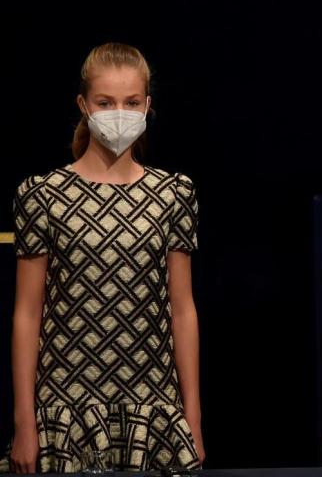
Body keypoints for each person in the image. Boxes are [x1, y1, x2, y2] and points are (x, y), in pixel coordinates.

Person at [3, 43, 204, 473]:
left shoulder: (173, 194)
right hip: (65, 407)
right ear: (83, 105)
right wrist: (24, 421)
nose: (120, 113)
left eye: (131, 102)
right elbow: (27, 313)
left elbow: (182, 311)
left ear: (148, 106)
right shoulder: (42, 195)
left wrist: (194, 419)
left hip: (152, 407)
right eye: (105, 102)